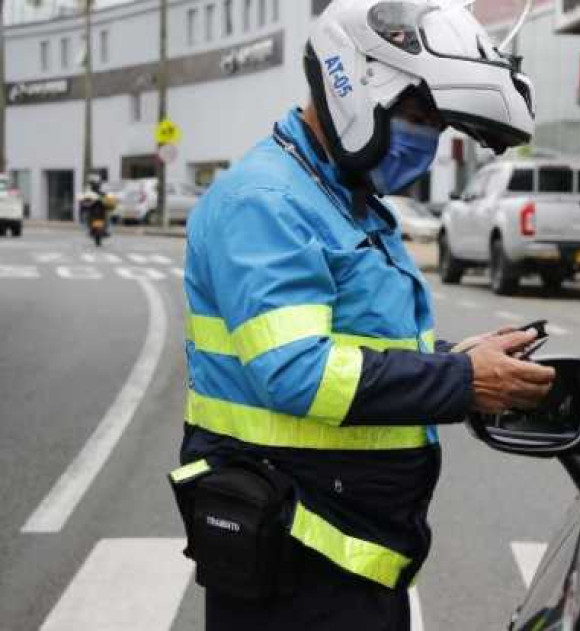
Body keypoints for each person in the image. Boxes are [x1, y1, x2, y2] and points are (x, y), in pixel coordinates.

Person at [174, 1, 553, 629]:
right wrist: (461, 383)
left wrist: (450, 361)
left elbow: (354, 343)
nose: (427, 140)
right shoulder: (266, 202)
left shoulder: (343, 200)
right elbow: (298, 371)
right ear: (355, 82)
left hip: (344, 551)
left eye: (438, 125)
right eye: (418, 115)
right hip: (295, 559)